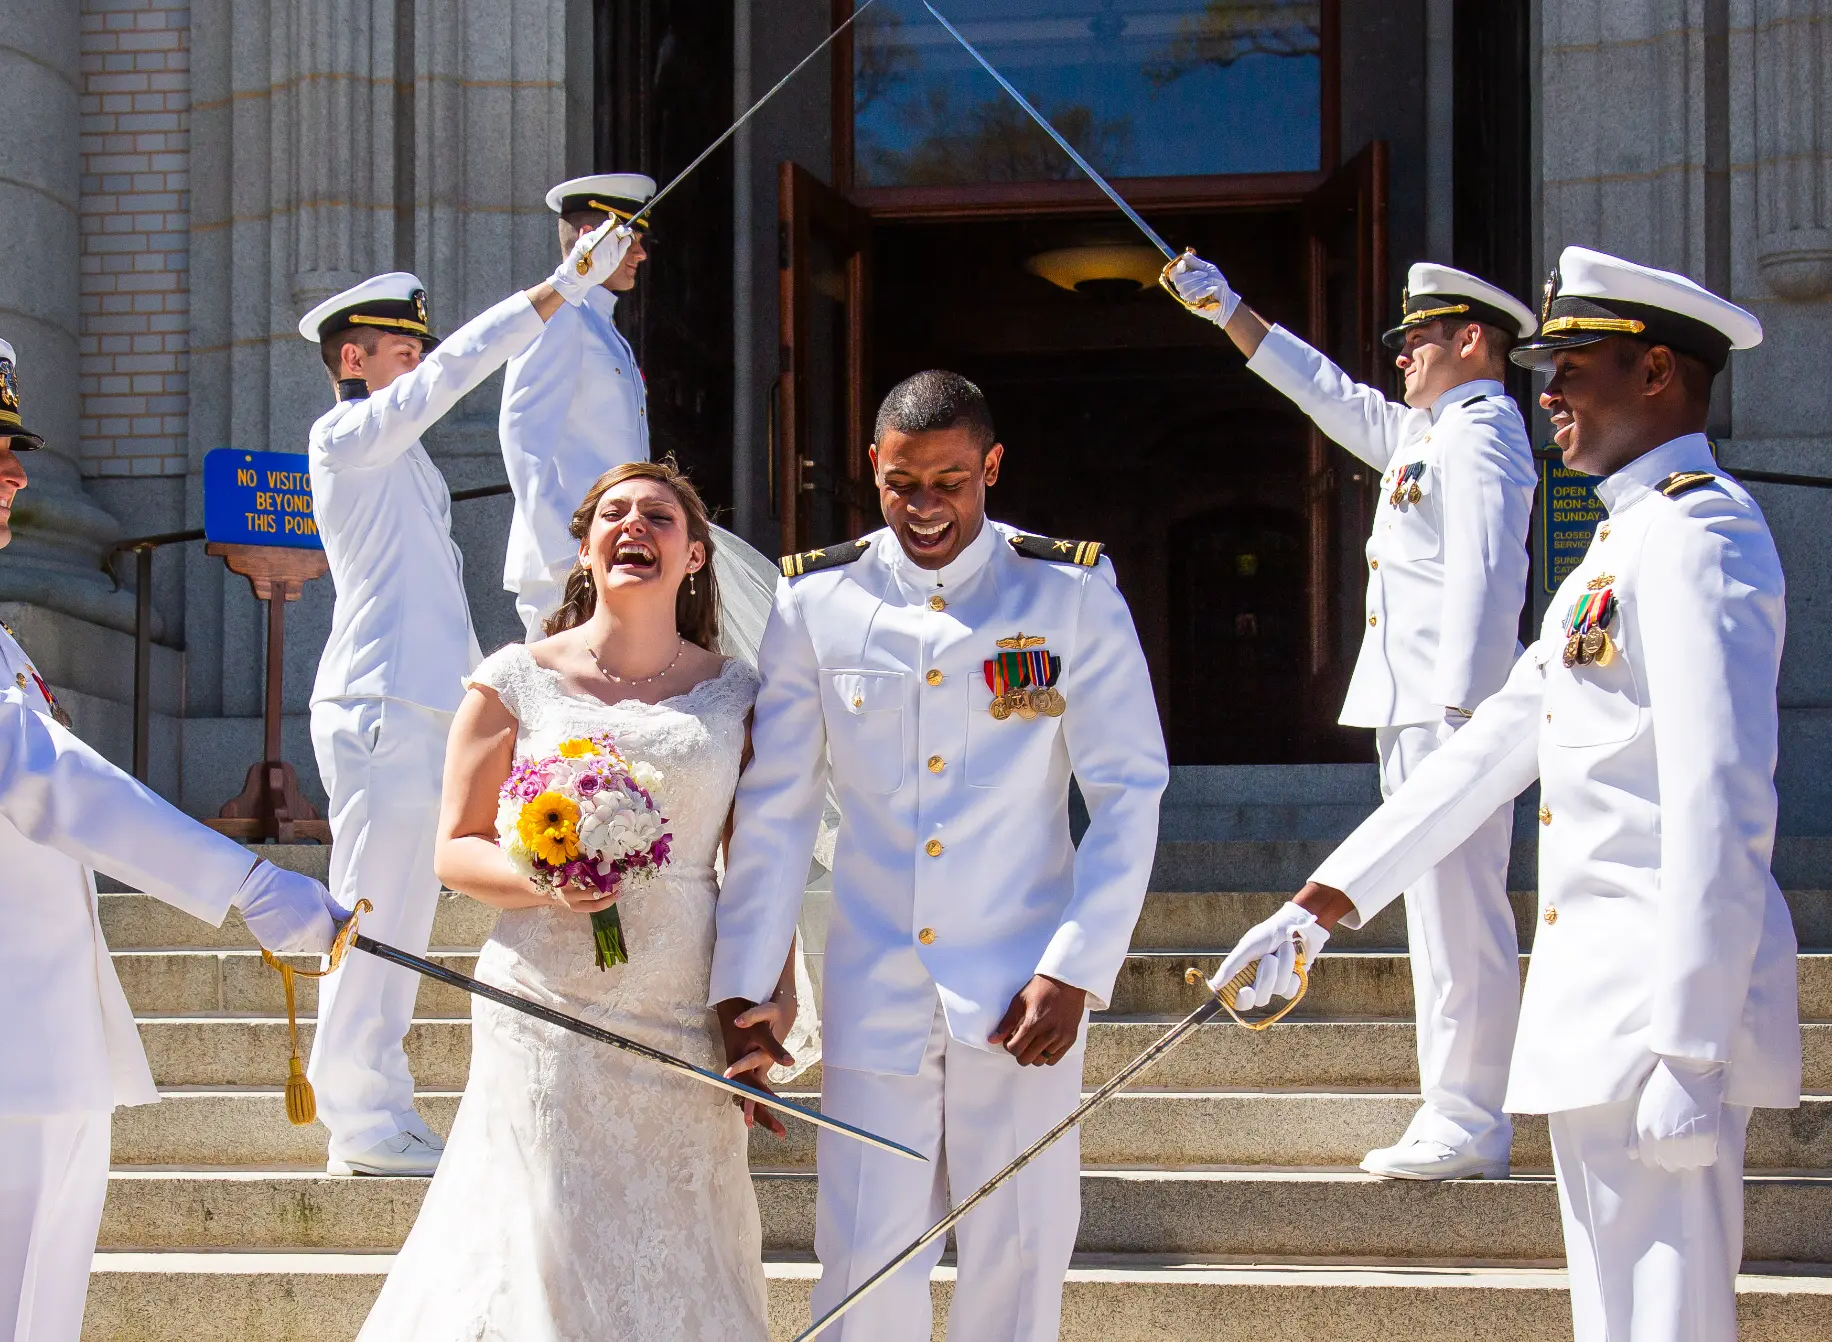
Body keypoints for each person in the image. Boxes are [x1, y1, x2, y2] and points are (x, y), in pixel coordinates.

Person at [1211, 247, 1797, 1342]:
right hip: (1595, 1008)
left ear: (1658, 373)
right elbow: (1489, 747)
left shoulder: (1699, 537)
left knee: (1667, 1319)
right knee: (1614, 1318)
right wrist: (1320, 905)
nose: (1550, 393)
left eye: (1574, 366)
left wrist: (1691, 1039)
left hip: (1659, 1008)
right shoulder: (1619, 546)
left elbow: (1722, 798)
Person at [0, 335, 344, 1342]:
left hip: (32, 1043)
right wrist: (243, 881)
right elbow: (41, 778)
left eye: (16, 448)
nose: (15, 471)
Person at [711, 371, 1168, 1341]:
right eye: (901, 483)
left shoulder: (1068, 589)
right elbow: (778, 806)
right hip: (877, 981)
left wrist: (1077, 966)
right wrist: (748, 985)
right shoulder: (816, 598)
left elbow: (1127, 792)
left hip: (1023, 989)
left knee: (1017, 1251)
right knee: (863, 1257)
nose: (924, 508)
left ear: (991, 468)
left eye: (950, 482)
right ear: (871, 468)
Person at [356, 459, 773, 1341]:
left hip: (680, 1005)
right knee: (542, 1231)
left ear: (695, 556)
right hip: (544, 1002)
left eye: (659, 517)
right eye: (613, 515)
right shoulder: (513, 678)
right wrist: (553, 880)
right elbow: (456, 849)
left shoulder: (739, 694)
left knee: (679, 1232)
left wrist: (769, 1000)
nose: (635, 528)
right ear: (584, 551)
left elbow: (758, 868)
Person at [1168, 251, 1539, 1181]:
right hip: (1415, 709)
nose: (1402, 353)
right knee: (1437, 914)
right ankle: (1450, 1110)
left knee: (1461, 917)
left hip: (1453, 714)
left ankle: (1468, 1120)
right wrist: (1232, 312)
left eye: (1418, 336)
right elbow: (1331, 395)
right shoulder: (1430, 430)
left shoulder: (1483, 429)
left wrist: (1467, 711)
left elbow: (1493, 576)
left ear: (1471, 339)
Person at [296, 225, 632, 1176]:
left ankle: (375, 1110)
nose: (419, 364)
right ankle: (361, 1121)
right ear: (352, 361)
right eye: (401, 351)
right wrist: (557, 291)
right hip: (380, 705)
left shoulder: (401, 458)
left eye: (419, 346)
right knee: (376, 909)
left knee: (399, 912)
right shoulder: (346, 435)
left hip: (422, 706)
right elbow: (452, 376)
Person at [499, 172, 656, 639]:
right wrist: (569, 555)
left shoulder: (601, 326)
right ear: (592, 239)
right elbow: (523, 436)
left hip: (610, 553)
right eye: (630, 240)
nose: (641, 254)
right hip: (571, 567)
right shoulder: (560, 317)